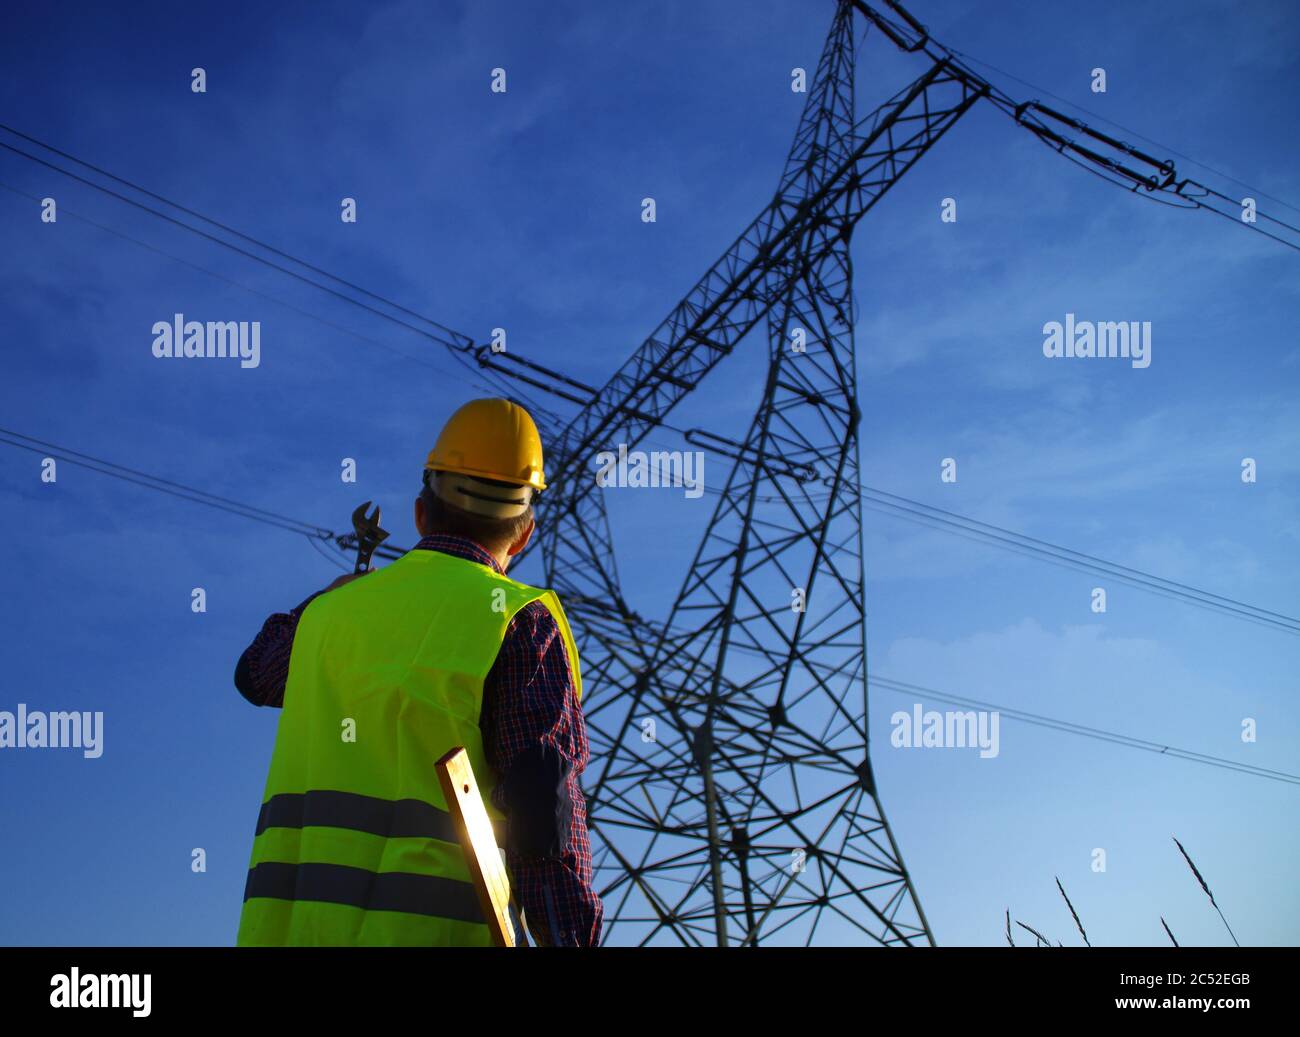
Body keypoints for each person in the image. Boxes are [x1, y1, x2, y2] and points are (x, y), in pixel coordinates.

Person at [233, 398, 602, 946]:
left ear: (420, 514)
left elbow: (254, 677)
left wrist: (323, 599)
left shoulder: (325, 615)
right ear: (522, 536)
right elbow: (542, 812)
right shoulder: (521, 620)